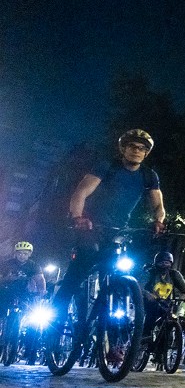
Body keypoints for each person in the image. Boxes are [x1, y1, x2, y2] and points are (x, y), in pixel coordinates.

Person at [54, 129, 165, 315]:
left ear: (146, 153)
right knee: (81, 266)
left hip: (119, 232)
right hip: (92, 226)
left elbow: (158, 206)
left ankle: (105, 318)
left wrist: (159, 221)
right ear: (123, 149)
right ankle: (56, 316)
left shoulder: (149, 176)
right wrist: (78, 217)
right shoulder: (107, 167)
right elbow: (81, 192)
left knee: (120, 269)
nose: (136, 151)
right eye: (132, 146)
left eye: (142, 148)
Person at [141, 250, 185, 347]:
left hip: (166, 304)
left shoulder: (174, 274)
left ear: (171, 263)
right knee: (151, 317)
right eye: (161, 263)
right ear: (156, 263)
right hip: (150, 303)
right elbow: (140, 286)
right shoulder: (150, 273)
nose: (164, 265)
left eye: (167, 263)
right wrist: (147, 294)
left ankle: (162, 349)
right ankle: (145, 337)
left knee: (169, 323)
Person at [1, 241, 46, 337]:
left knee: (33, 316)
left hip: (25, 293)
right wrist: (7, 278)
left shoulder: (34, 266)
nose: (22, 256)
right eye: (20, 253)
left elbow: (40, 280)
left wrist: (42, 292)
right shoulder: (7, 264)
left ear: (29, 254)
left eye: (25, 254)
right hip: (7, 291)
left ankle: (30, 337)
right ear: (16, 254)